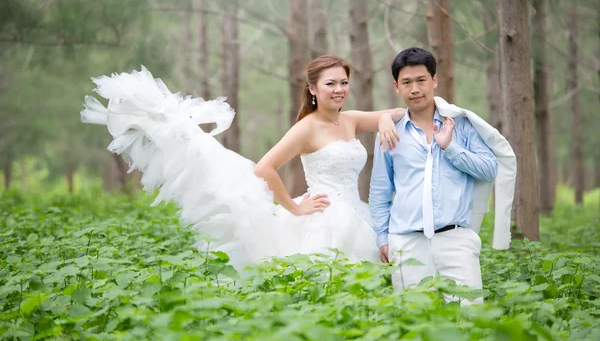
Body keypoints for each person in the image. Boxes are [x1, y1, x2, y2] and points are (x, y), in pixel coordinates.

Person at [81, 55, 404, 268]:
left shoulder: (349, 120)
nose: (339, 89)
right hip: (324, 217)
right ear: (312, 89)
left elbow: (400, 112)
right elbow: (264, 168)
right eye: (330, 83)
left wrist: (386, 120)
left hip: (356, 213)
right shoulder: (306, 128)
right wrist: (295, 207)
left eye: (343, 82)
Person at [369, 47, 499, 303]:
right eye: (407, 82)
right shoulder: (389, 132)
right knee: (415, 321)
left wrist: (449, 146)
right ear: (397, 87)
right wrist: (383, 239)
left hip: (455, 238)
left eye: (421, 80)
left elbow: (489, 169)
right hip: (406, 241)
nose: (415, 88)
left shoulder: (461, 124)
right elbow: (380, 192)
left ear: (434, 80)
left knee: (470, 317)